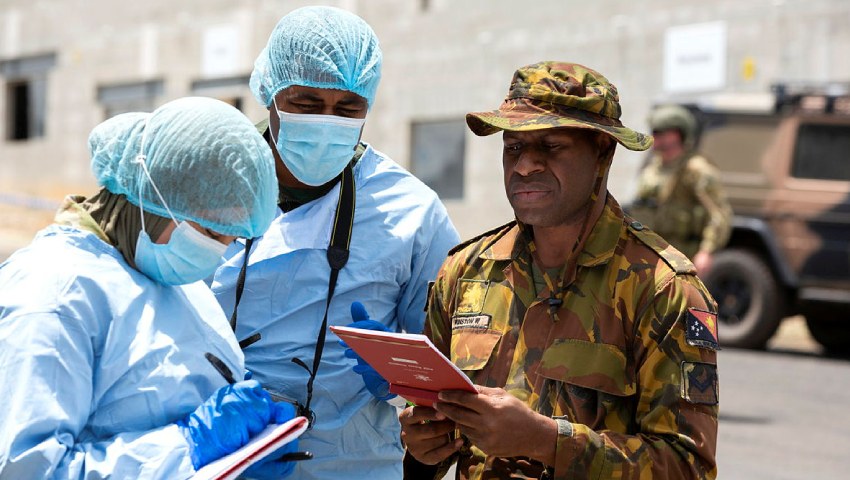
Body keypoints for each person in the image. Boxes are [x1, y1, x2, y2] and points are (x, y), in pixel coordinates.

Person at [398, 62, 719, 479]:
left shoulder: (663, 289)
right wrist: (423, 447)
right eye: (513, 147)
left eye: (550, 147)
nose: (525, 166)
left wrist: (548, 442)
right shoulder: (467, 272)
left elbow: (687, 467)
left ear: (602, 152)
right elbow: (431, 435)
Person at [211, 6, 460, 480]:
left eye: (347, 109)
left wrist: (404, 373)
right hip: (212, 459)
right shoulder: (213, 186)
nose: (326, 122)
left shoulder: (411, 212)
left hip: (353, 467)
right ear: (270, 93)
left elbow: (453, 357)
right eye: (305, 104)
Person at [0, 97, 300, 478]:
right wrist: (190, 447)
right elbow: (28, 469)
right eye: (209, 231)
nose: (216, 252)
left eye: (231, 240)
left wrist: (253, 446)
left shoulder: (170, 274)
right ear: (153, 196)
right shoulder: (55, 293)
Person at [628, 104, 732, 274]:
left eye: (659, 133)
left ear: (674, 135)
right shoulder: (653, 168)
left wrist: (706, 251)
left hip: (684, 257)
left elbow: (719, 214)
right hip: (652, 254)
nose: (653, 137)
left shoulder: (696, 170)